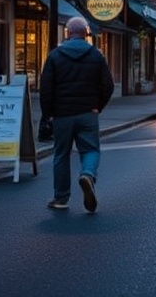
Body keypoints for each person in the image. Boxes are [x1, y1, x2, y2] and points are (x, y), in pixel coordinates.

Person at [39, 16, 114, 213]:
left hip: (62, 115)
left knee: (61, 155)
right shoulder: (96, 56)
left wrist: (48, 115)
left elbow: (46, 88)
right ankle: (87, 174)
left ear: (67, 33)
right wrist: (98, 106)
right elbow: (108, 85)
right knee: (91, 150)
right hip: (88, 113)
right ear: (86, 33)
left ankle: (61, 198)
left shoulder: (55, 56)